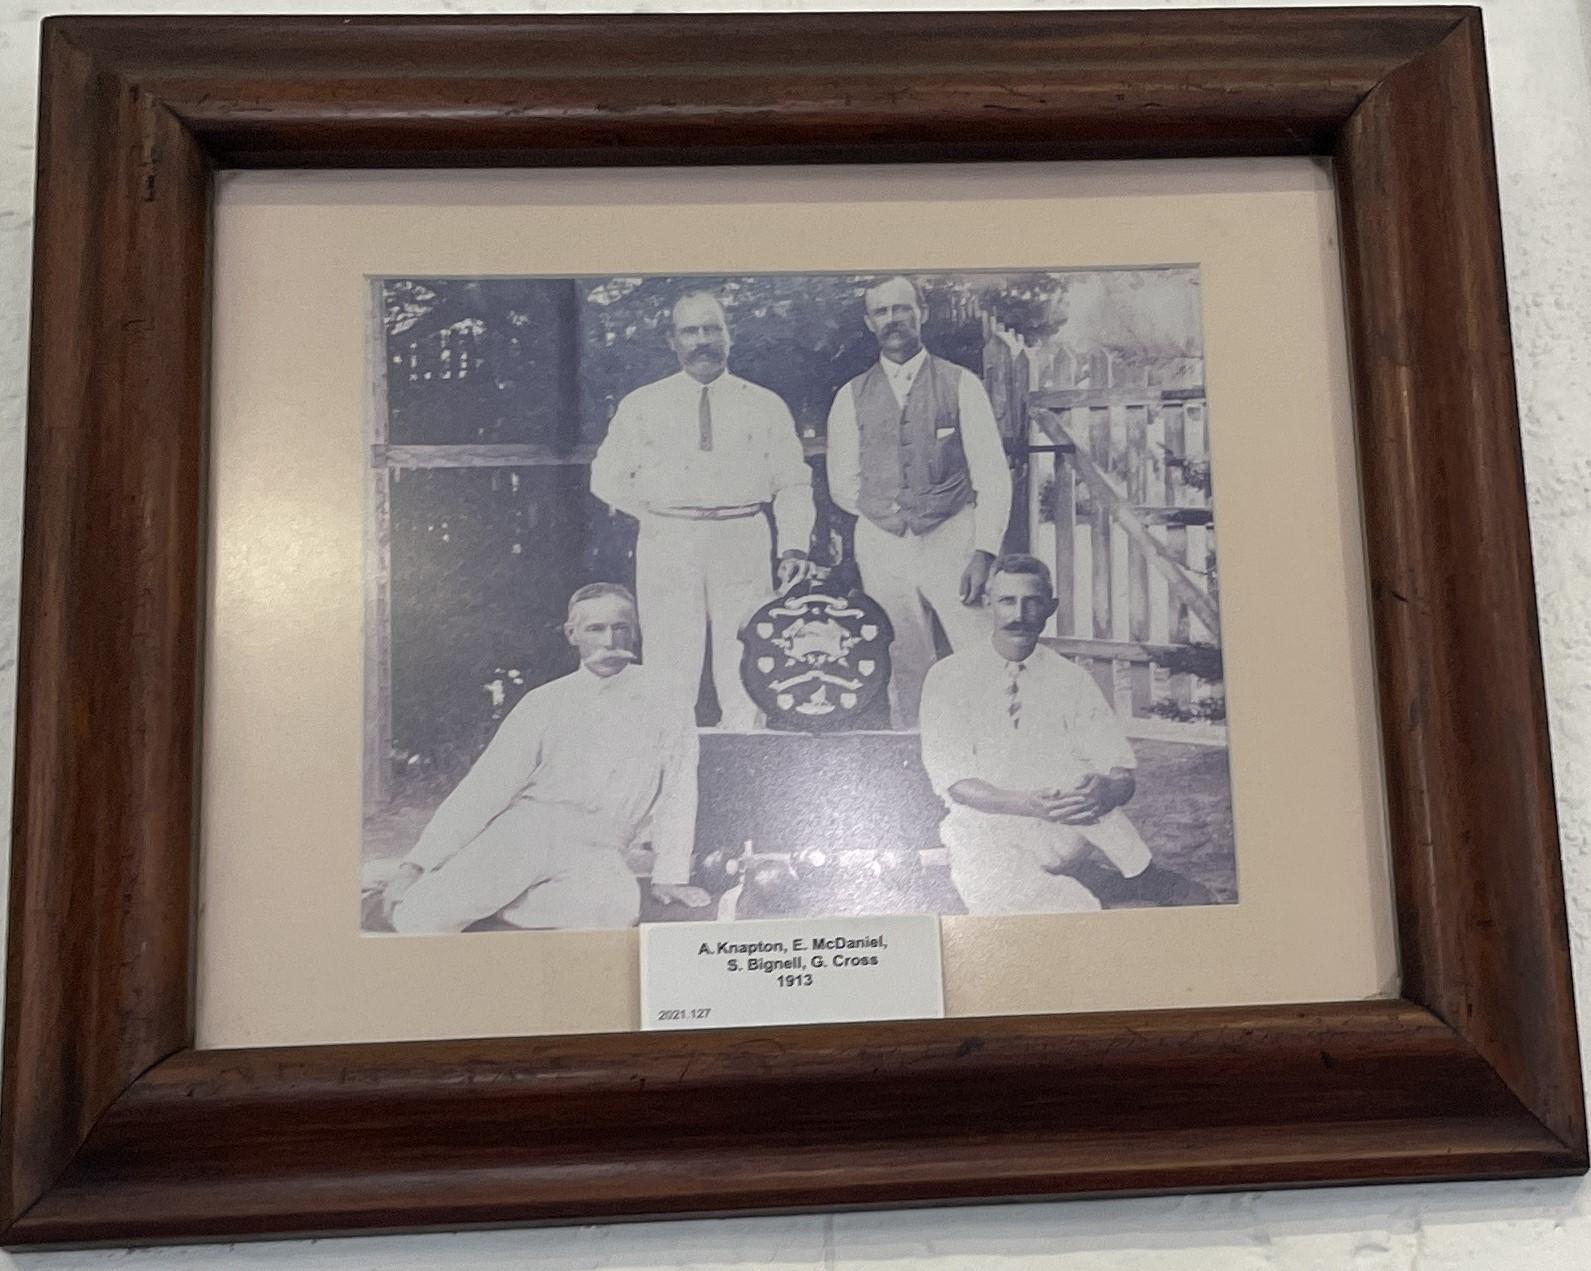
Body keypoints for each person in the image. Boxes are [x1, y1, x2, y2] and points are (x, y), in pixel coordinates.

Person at [377, 583, 708, 933]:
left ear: (635, 632)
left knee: (613, 914)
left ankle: (500, 902)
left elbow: (678, 789)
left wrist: (670, 875)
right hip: (527, 831)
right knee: (422, 920)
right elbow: (483, 789)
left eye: (621, 628)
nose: (610, 641)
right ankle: (448, 885)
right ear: (572, 634)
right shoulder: (545, 702)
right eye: (595, 629)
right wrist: (415, 865)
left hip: (600, 845)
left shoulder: (667, 699)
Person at [919, 554, 1202, 915]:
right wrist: (1026, 804)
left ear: (1050, 608)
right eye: (1007, 601)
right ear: (989, 603)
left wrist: (1107, 789)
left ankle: (1144, 874)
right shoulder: (949, 677)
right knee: (1032, 910)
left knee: (1079, 776)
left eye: (1032, 601)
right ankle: (1096, 883)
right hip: (984, 830)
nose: (1019, 614)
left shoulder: (1070, 679)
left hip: (1064, 823)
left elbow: (1120, 772)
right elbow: (955, 782)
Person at [590, 290, 816, 730]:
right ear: (673, 341)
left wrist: (793, 546)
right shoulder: (643, 405)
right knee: (670, 664)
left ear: (730, 337)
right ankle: (670, 777)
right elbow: (605, 477)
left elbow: (792, 481)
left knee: (746, 658)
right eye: (690, 331)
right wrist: (654, 514)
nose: (701, 341)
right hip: (670, 540)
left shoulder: (764, 404)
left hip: (743, 535)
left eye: (711, 329)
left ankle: (744, 769)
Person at [825, 275, 1013, 728]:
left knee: (978, 650)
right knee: (904, 658)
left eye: (901, 309)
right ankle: (916, 757)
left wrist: (982, 550)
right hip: (882, 541)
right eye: (882, 312)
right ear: (870, 322)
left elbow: (992, 474)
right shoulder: (850, 396)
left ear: (921, 313)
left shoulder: (961, 383)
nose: (893, 320)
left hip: (952, 536)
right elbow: (842, 484)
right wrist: (889, 513)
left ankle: (996, 750)